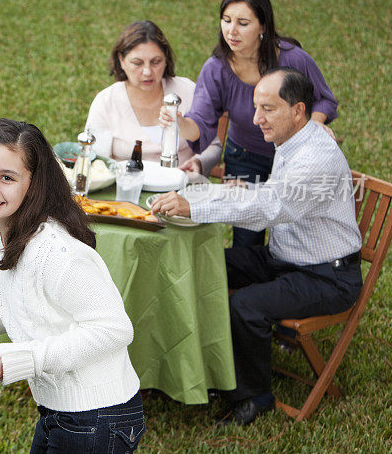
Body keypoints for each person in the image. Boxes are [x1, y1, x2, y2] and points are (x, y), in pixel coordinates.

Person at [151, 67, 361, 426]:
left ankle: (255, 397)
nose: (255, 118)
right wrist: (199, 191)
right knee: (206, 265)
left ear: (297, 111)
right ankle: (208, 367)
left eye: (267, 109)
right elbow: (267, 195)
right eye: (255, 107)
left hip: (327, 277)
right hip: (286, 256)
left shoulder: (315, 158)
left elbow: (269, 208)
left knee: (246, 305)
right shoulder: (293, 141)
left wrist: (195, 205)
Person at [0, 119, 145, 453]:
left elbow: (114, 329)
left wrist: (24, 359)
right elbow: (29, 299)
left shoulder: (57, 253)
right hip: (59, 408)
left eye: (7, 178)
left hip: (99, 416)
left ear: (34, 182)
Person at [162, 0, 339, 247]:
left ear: (263, 27)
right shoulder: (216, 68)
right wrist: (180, 122)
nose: (231, 31)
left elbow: (323, 99)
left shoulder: (293, 59)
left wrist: (312, 129)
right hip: (245, 159)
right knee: (247, 244)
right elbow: (200, 125)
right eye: (226, 20)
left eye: (243, 23)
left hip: (294, 160)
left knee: (296, 234)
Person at [86, 20, 222, 176]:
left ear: (166, 59)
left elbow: (213, 145)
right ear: (121, 61)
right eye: (137, 63)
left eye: (155, 62)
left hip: (182, 189)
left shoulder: (187, 91)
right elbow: (94, 160)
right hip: (127, 191)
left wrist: (199, 162)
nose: (147, 72)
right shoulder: (105, 102)